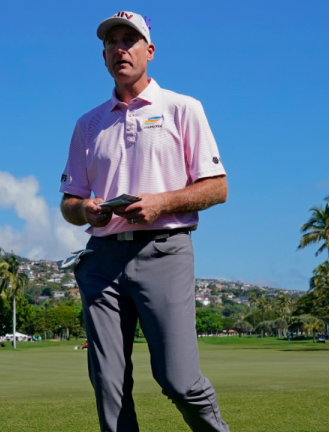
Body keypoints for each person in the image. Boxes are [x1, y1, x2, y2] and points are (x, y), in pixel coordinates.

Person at [59, 11, 229, 432]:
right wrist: (87, 210)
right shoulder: (88, 124)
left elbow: (217, 188)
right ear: (103, 57)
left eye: (130, 40)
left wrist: (162, 203)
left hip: (164, 251)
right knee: (108, 385)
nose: (120, 48)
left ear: (149, 51)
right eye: (112, 41)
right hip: (101, 258)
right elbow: (68, 202)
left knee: (178, 380)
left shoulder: (183, 108)